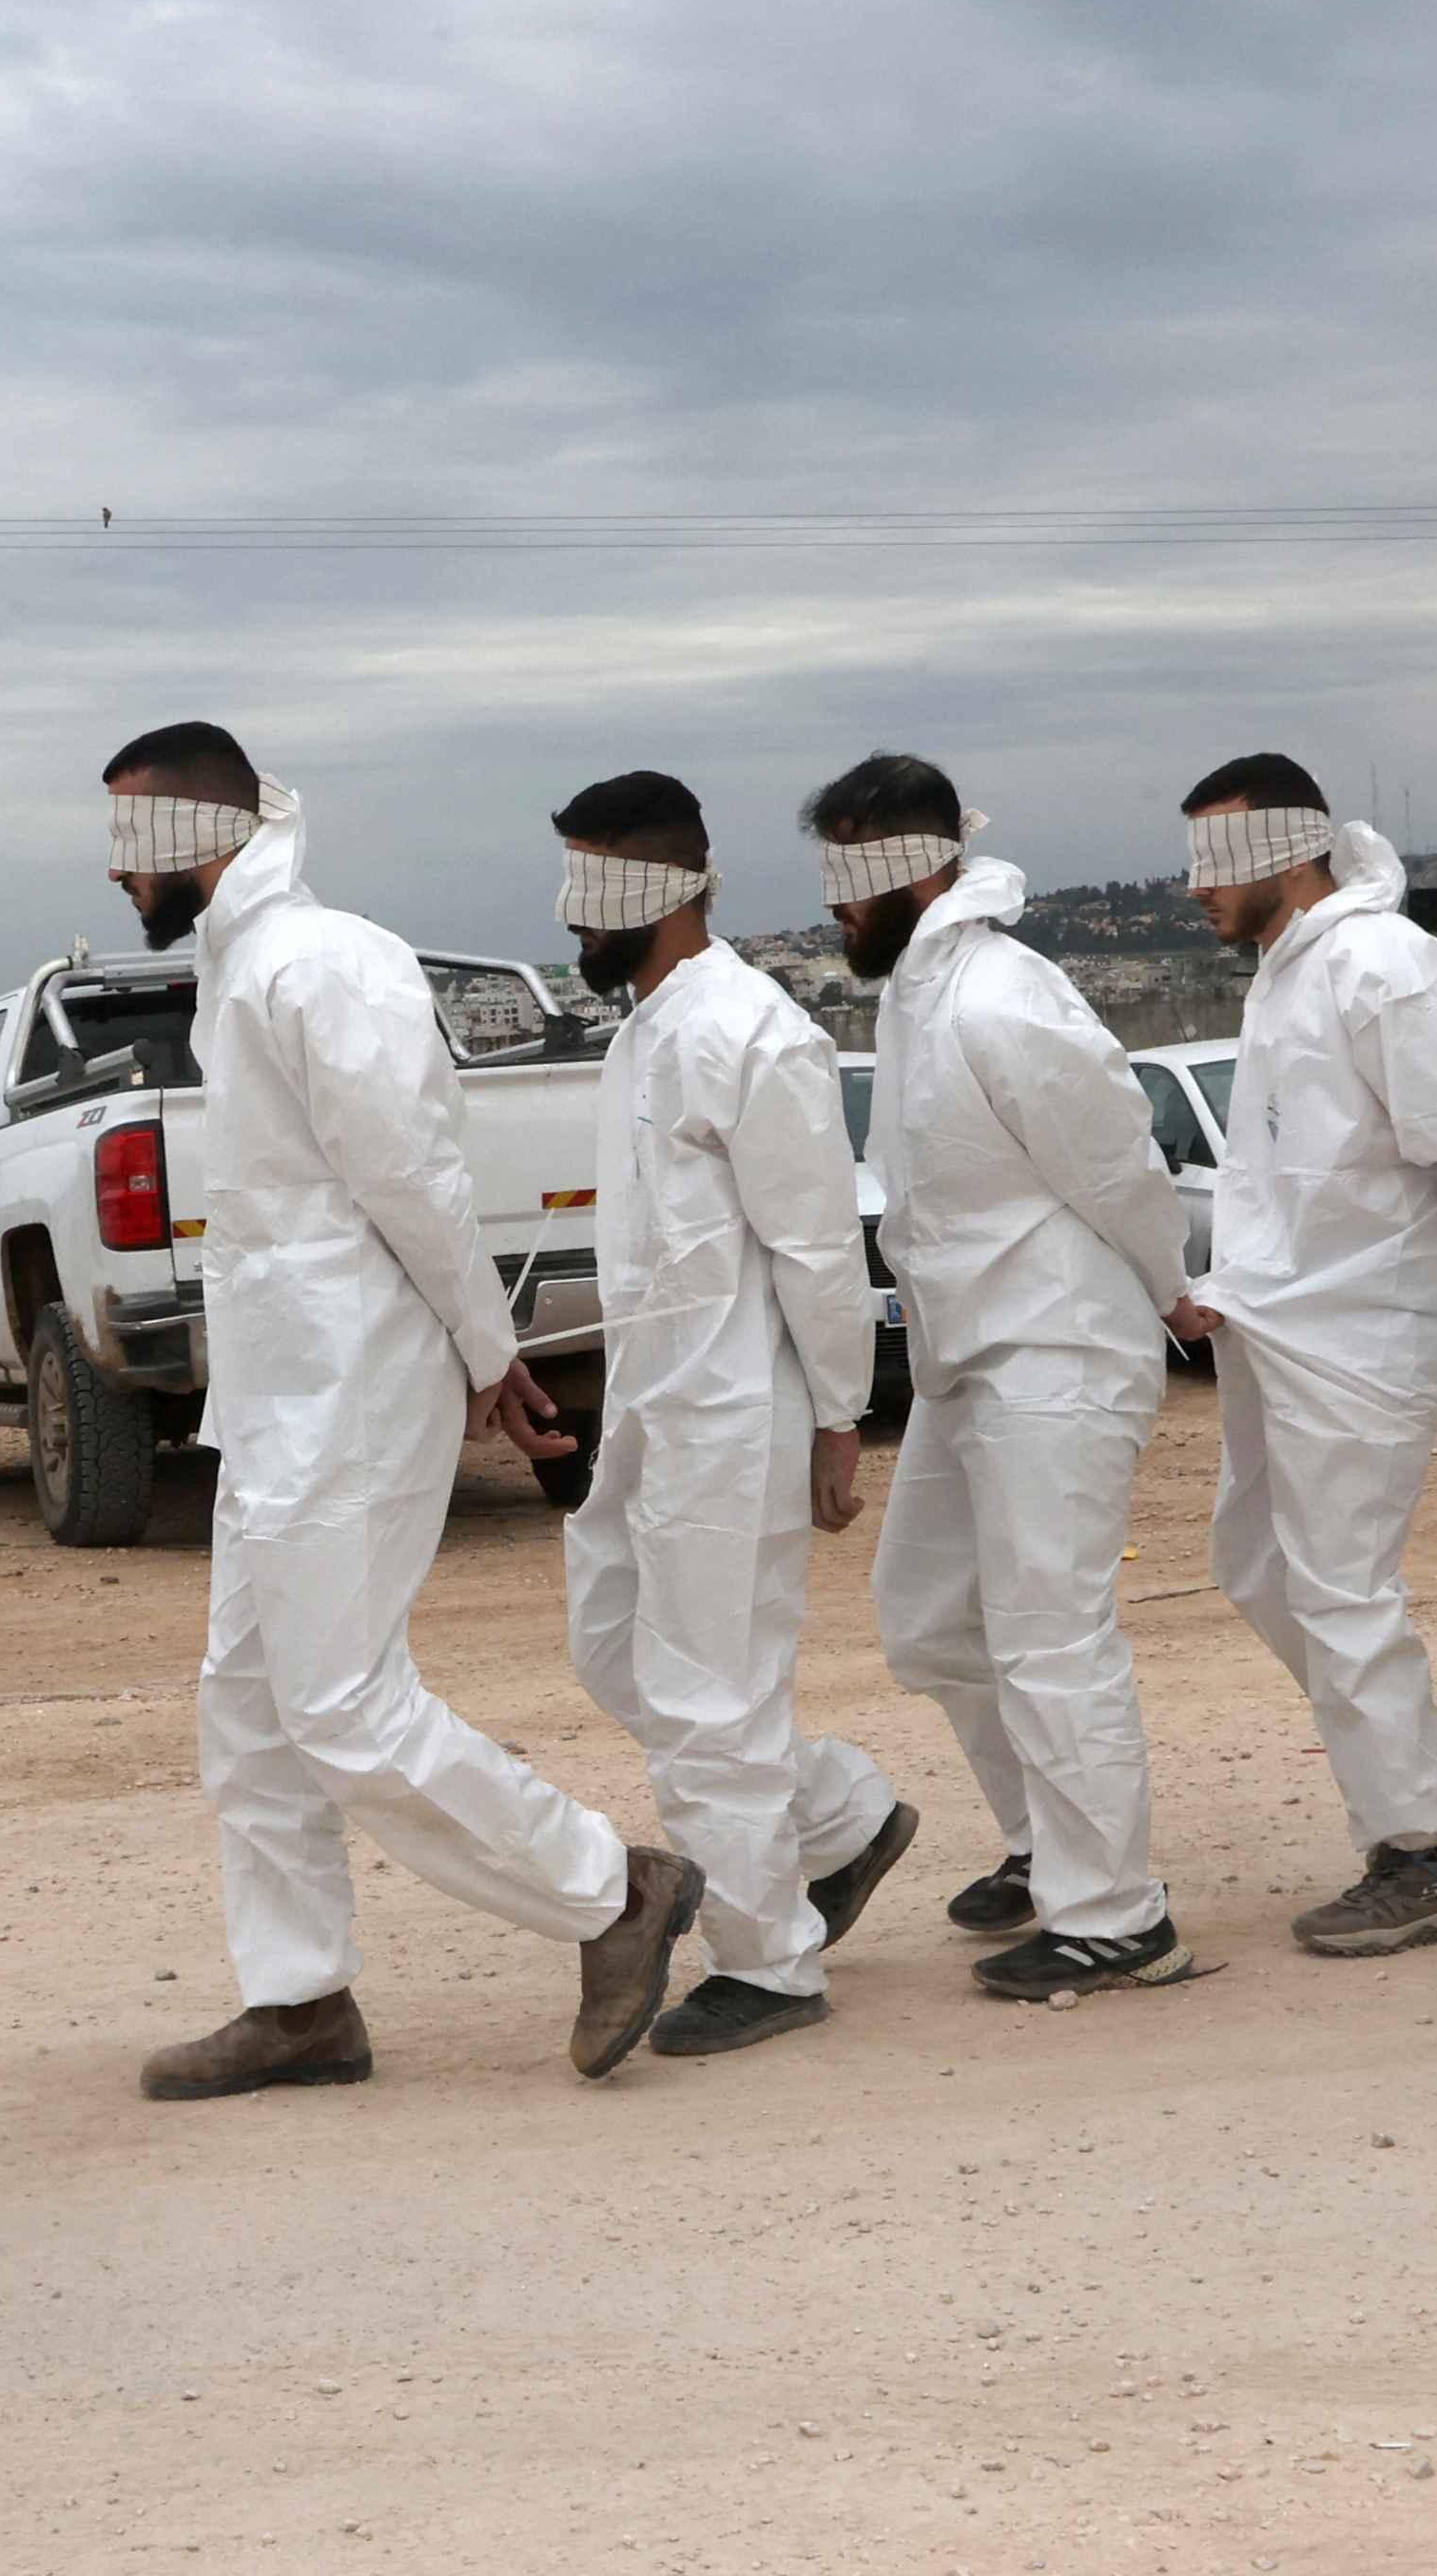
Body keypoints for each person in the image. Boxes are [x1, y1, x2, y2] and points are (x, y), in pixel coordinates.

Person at [107, 721, 705, 2096]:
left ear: (207, 833)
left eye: (131, 841)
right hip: (277, 1401)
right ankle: (300, 2001)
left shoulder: (324, 963)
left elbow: (418, 1182)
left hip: (350, 1390)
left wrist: (492, 1355)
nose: (116, 875)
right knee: (250, 1710)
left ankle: (612, 1890)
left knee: (342, 1709)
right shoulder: (244, 967)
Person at [809, 752, 1201, 2000]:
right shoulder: (916, 999)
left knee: (1049, 1633)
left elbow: (1119, 1164)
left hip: (1059, 1348)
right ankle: (1047, 1846)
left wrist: (1167, 1285)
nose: (835, 906)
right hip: (969, 1357)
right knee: (927, 1618)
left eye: (852, 874)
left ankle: (1118, 1915)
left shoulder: (998, 999)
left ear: (918, 864)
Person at [547, 772, 919, 2057]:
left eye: (589, 888)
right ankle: (841, 1815)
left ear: (654, 890)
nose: (569, 919)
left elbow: (819, 1248)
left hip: (735, 1414)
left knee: (711, 1697)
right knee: (615, 1649)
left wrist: (837, 1420)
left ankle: (768, 1961)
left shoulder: (754, 1032)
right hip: (656, 1412)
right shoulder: (644, 1031)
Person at [1165, 758, 1437, 1956]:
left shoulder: (1379, 963)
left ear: (1287, 848)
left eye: (1215, 860)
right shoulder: (1292, 972)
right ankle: (1427, 1758)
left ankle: (1417, 1853)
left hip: (1368, 1323)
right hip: (1290, 1320)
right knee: (1255, 1559)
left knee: (1337, 1580)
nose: (1195, 888)